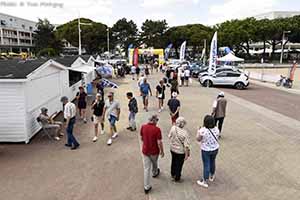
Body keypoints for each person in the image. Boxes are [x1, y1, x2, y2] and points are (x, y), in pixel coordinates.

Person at [140, 114, 164, 194]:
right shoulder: (157, 129)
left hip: (145, 150)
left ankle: (146, 186)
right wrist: (162, 151)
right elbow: (159, 142)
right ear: (154, 121)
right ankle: (155, 172)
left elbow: (142, 138)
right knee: (154, 163)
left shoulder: (143, 127)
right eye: (157, 121)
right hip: (154, 151)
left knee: (146, 168)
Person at [196, 115, 220, 188]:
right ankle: (211, 175)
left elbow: (198, 139)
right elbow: (217, 136)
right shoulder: (216, 129)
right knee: (212, 161)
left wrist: (198, 131)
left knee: (206, 164)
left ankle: (204, 181)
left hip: (206, 150)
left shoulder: (203, 130)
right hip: (215, 148)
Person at [168, 117, 190, 182]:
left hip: (172, 149)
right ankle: (177, 177)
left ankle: (173, 174)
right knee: (179, 164)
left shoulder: (173, 128)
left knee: (173, 161)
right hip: (180, 151)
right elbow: (186, 146)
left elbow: (169, 136)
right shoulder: (185, 133)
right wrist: (186, 155)